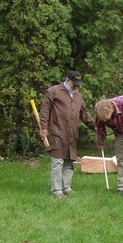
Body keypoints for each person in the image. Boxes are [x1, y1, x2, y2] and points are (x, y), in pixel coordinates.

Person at [39, 71, 96, 199]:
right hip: (57, 132)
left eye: (78, 84)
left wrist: (95, 127)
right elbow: (44, 110)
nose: (76, 86)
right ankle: (57, 190)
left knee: (69, 160)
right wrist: (43, 128)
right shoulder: (53, 91)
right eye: (74, 83)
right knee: (57, 161)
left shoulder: (78, 97)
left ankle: (66, 187)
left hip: (71, 134)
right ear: (67, 80)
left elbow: (84, 113)